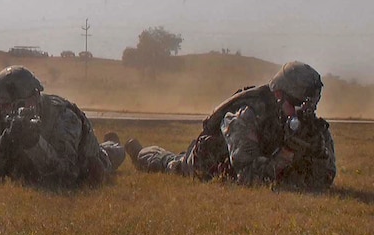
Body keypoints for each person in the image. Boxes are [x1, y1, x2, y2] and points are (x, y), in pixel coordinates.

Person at [128, 61, 336, 190]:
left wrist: (317, 151)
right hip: (209, 161)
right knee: (173, 165)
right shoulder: (245, 116)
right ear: (279, 95)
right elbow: (248, 177)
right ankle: (141, 153)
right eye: (298, 105)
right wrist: (287, 154)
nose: (303, 113)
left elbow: (325, 177)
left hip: (258, 161)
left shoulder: (309, 127)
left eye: (308, 107)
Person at [0, 66, 126, 187]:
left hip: (87, 155)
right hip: (30, 165)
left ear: (35, 97)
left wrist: (35, 144)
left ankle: (115, 145)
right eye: (4, 106)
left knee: (107, 158)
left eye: (19, 105)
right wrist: (0, 147)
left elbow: (68, 174)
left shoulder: (62, 116)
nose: (9, 112)